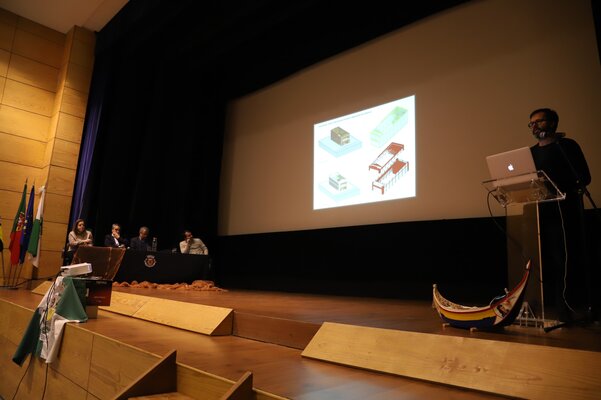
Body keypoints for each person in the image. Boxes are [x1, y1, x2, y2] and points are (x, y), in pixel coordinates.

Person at [528, 107, 592, 322]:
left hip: (563, 211)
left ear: (553, 123)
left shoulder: (567, 146)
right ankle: (541, 306)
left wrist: (559, 186)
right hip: (538, 213)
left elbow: (584, 177)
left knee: (563, 258)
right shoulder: (530, 153)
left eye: (539, 121)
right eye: (531, 123)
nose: (534, 126)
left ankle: (567, 305)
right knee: (542, 260)